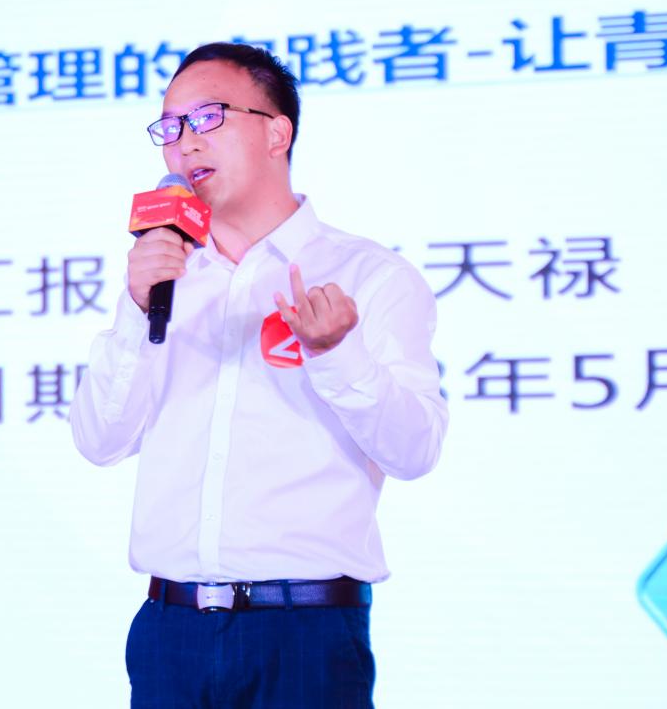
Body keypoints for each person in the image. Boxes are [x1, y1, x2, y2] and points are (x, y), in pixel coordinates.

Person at [70, 43, 448, 707]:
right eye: (171, 126)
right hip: (169, 630)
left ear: (277, 132)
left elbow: (415, 451)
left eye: (208, 117)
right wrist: (135, 309)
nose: (185, 143)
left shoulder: (370, 277)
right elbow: (100, 441)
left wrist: (336, 353)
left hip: (305, 633)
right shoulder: (164, 277)